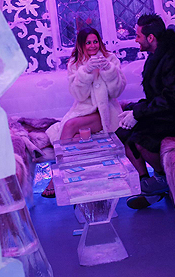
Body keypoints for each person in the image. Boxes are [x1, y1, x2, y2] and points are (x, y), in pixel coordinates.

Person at [116, 14, 175, 209]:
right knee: (123, 133)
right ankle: (149, 185)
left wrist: (139, 113)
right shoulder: (159, 55)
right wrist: (136, 108)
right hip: (173, 109)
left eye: (138, 36)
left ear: (151, 38)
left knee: (140, 139)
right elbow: (160, 96)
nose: (135, 40)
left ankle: (162, 182)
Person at [43, 27, 126, 197]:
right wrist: (86, 72)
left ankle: (58, 174)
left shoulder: (111, 58)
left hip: (107, 112)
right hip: (85, 109)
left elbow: (117, 92)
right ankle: (82, 183)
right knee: (73, 137)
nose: (92, 45)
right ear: (82, 44)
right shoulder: (75, 64)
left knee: (70, 124)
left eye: (95, 41)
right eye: (88, 42)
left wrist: (109, 70)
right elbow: (79, 95)